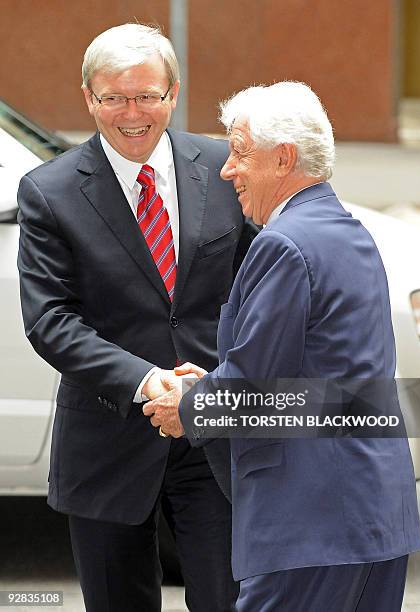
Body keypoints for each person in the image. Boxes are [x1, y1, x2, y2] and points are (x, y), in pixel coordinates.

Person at [144, 82, 420, 611]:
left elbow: (252, 386)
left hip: (309, 522)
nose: (228, 170)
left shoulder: (284, 244)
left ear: (284, 159)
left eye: (240, 152)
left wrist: (186, 406)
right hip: (371, 517)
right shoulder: (348, 230)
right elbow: (319, 381)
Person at [17, 23, 258, 612]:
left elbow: (262, 286)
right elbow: (50, 319)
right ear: (88, 98)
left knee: (229, 600)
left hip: (213, 434)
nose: (133, 112)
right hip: (108, 435)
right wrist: (149, 381)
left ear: (173, 94)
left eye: (148, 95)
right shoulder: (49, 192)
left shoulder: (226, 167)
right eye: (114, 97)